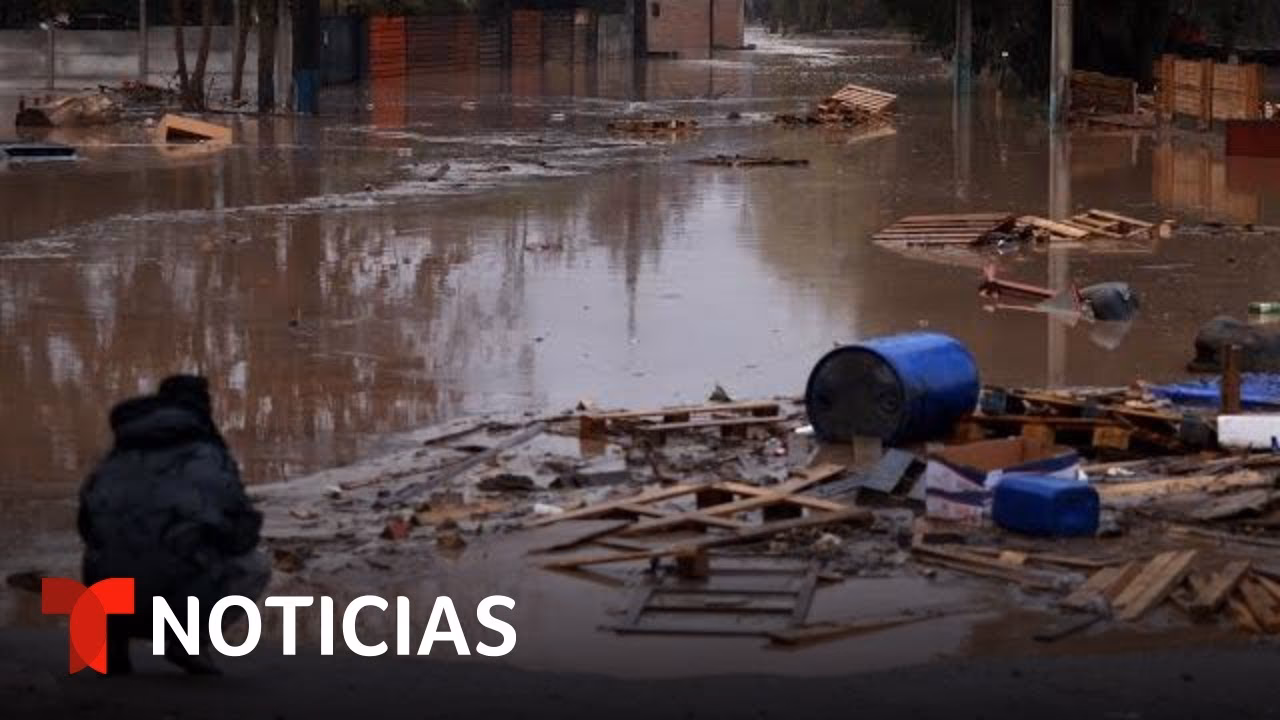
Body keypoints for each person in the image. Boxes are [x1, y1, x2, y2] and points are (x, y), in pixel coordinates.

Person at [78, 374, 270, 675]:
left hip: (109, 599)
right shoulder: (207, 456)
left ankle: (112, 639)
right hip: (169, 603)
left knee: (108, 550)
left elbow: (86, 527)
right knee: (255, 565)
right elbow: (240, 532)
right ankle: (185, 642)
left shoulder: (113, 459)